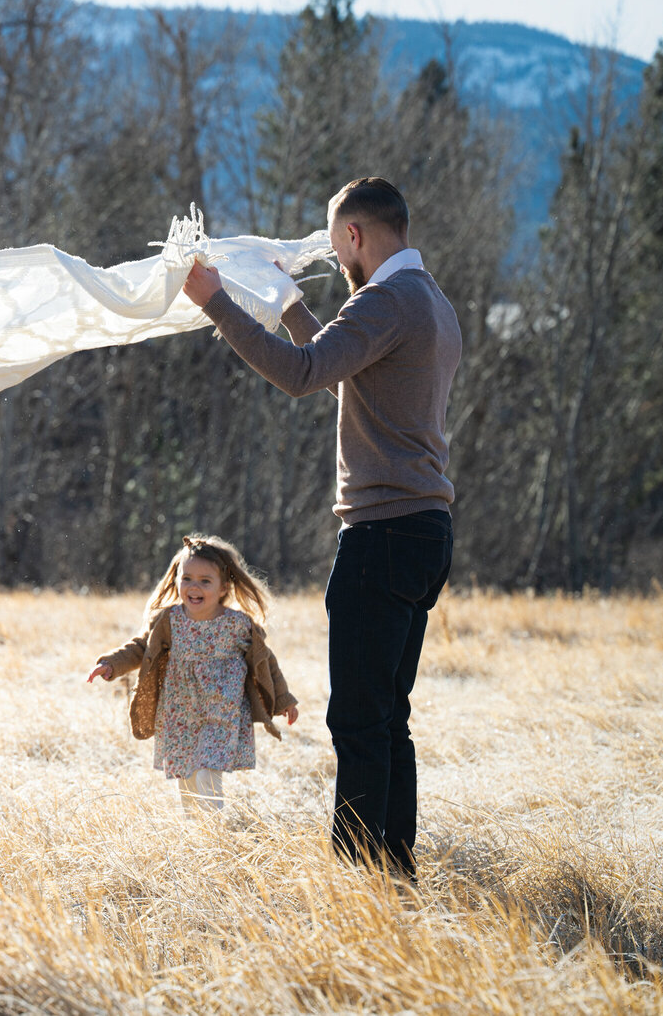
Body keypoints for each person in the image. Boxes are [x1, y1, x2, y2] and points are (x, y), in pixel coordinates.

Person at [181, 177, 461, 875]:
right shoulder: (429, 302)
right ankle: (393, 869)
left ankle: (362, 875)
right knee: (386, 715)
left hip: (383, 533)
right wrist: (291, 305)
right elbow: (344, 369)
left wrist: (214, 301)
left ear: (357, 235)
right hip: (423, 528)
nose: (337, 261)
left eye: (338, 249)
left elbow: (304, 372)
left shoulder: (385, 300)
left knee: (360, 720)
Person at [87, 534, 298, 815]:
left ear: (224, 587)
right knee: (186, 774)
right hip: (178, 712)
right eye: (187, 579)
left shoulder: (237, 625)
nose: (194, 587)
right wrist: (111, 664)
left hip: (221, 712)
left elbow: (265, 661)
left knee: (206, 770)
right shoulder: (169, 620)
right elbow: (141, 647)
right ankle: (195, 830)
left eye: (204, 581)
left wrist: (284, 699)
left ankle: (214, 832)